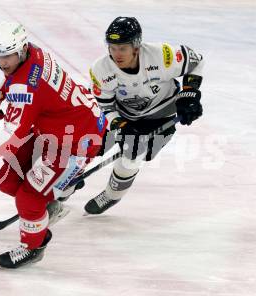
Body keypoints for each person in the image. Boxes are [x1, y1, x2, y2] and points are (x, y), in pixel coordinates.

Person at [0, 21, 106, 269]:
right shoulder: (33, 52)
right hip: (59, 128)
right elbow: (29, 91)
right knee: (8, 181)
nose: (3, 63)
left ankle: (33, 247)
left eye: (7, 56)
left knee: (29, 198)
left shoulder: (25, 86)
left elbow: (8, 140)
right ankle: (48, 208)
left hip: (76, 142)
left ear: (19, 50)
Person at [84, 16, 204, 215]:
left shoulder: (162, 55)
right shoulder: (101, 69)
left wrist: (189, 94)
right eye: (112, 48)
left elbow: (196, 61)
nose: (116, 54)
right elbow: (104, 106)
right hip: (123, 115)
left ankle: (112, 195)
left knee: (133, 156)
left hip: (161, 114)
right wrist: (120, 125)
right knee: (87, 144)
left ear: (136, 46)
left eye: (122, 48)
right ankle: (65, 188)